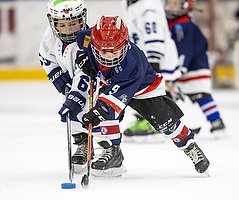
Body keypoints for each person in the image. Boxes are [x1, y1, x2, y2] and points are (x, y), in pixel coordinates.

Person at [59, 15, 210, 178]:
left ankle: (190, 146)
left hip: (142, 87)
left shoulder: (132, 63)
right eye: (103, 51)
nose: (109, 57)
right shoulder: (89, 37)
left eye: (114, 51)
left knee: (167, 122)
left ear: (124, 44)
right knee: (104, 114)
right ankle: (112, 152)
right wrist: (82, 55)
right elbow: (81, 42)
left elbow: (118, 93)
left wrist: (100, 109)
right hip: (111, 84)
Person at [38, 0, 95, 174]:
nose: (69, 29)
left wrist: (77, 95)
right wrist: (56, 75)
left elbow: (84, 74)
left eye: (73, 23)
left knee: (95, 116)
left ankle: (109, 148)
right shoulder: (50, 35)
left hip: (94, 86)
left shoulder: (88, 40)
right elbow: (45, 56)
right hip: (71, 83)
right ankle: (83, 144)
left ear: (82, 18)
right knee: (73, 116)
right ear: (54, 23)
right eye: (62, 25)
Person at [121, 0, 183, 139]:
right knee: (143, 92)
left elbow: (153, 32)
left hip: (156, 57)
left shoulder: (148, 6)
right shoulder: (133, 5)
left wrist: (154, 59)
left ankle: (158, 122)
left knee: (155, 92)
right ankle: (146, 120)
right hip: (144, 59)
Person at [165, 0, 226, 137]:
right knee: (171, 95)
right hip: (188, 68)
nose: (171, 7)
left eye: (176, 4)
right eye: (170, 3)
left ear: (186, 7)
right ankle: (172, 125)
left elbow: (185, 50)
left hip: (193, 69)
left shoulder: (183, 25)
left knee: (200, 95)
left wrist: (179, 68)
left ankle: (216, 122)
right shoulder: (176, 23)